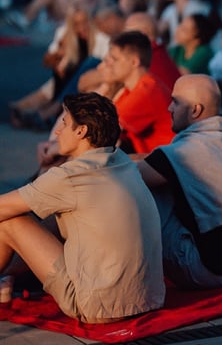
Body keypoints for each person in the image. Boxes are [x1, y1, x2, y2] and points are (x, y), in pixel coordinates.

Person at [0, 93, 165, 323]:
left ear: (81, 131)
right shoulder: (122, 161)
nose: (58, 131)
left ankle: (5, 277)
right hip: (149, 299)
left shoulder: (69, 177)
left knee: (10, 223)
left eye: (65, 123)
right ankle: (7, 277)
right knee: (54, 220)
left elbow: (3, 208)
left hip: (97, 306)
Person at [135, 74, 222, 289]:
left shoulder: (181, 152)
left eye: (175, 102)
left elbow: (130, 178)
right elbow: (156, 162)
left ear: (195, 110)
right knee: (166, 175)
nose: (169, 108)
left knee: (131, 189)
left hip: (202, 270)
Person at [99, 31, 176, 154]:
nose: (109, 64)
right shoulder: (130, 90)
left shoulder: (147, 90)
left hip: (164, 164)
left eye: (115, 59)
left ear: (134, 62)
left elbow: (100, 126)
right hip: (150, 159)